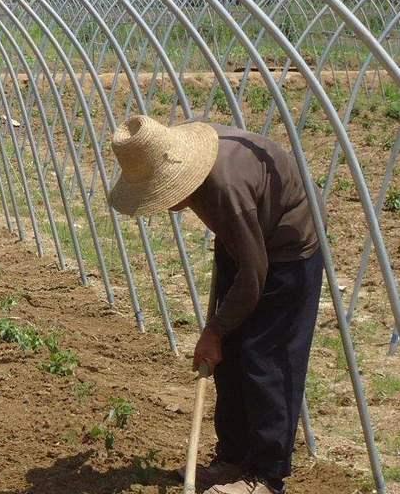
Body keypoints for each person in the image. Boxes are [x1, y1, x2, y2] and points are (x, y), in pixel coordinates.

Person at [108, 115, 322, 494]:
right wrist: (222, 335)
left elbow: (254, 274)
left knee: (264, 359)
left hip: (288, 252)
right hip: (247, 241)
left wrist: (213, 331)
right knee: (231, 358)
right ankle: (234, 459)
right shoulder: (190, 148)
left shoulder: (225, 189)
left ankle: (265, 474)